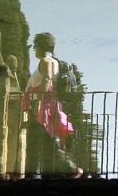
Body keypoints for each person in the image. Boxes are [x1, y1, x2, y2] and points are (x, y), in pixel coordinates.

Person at [21, 32, 83, 179]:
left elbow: (47, 78)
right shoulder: (51, 60)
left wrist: (39, 104)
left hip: (44, 106)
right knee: (43, 140)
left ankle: (70, 169)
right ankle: (45, 174)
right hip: (48, 105)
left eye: (35, 46)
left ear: (39, 46)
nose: (34, 49)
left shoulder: (46, 61)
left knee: (43, 141)